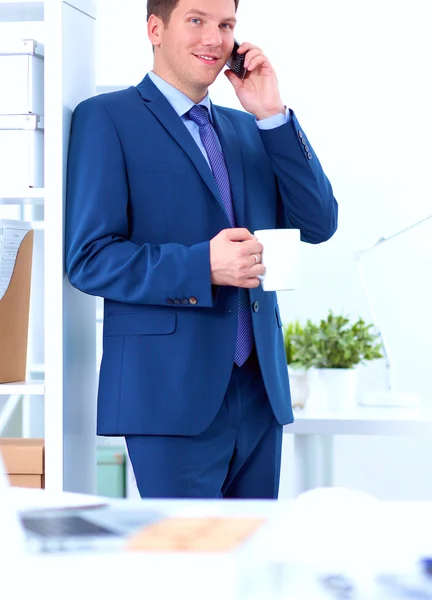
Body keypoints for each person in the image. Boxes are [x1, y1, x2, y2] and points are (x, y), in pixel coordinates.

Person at [65, 0, 338, 499]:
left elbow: (318, 223)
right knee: (185, 572)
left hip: (259, 394)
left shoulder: (249, 128)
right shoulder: (107, 118)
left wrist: (273, 115)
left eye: (226, 25)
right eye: (196, 20)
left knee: (251, 568)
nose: (215, 39)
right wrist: (201, 265)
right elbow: (89, 259)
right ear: (154, 28)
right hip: (168, 394)